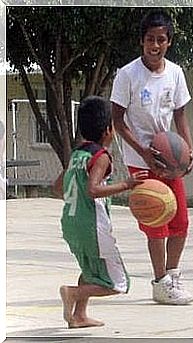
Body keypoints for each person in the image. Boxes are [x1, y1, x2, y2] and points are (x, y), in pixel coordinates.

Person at [110, 11, 193, 305]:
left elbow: (181, 114)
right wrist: (144, 151)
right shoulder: (127, 74)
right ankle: (160, 282)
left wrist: (188, 147)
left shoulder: (175, 73)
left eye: (161, 40)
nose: (155, 45)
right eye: (150, 39)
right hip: (141, 159)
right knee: (156, 221)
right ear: (141, 41)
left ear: (168, 42)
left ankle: (173, 276)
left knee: (180, 221)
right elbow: (118, 121)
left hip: (170, 159)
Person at [56, 96, 146, 328]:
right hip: (92, 226)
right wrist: (127, 184)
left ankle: (79, 315)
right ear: (108, 130)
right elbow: (94, 189)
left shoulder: (78, 155)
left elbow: (58, 186)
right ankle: (73, 293)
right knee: (118, 283)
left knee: (90, 269)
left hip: (71, 223)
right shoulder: (101, 156)